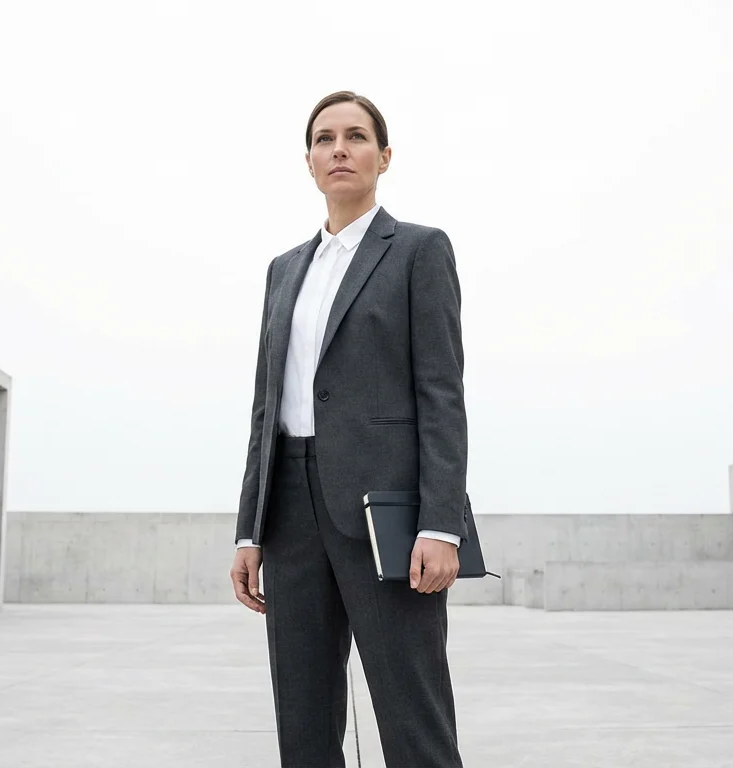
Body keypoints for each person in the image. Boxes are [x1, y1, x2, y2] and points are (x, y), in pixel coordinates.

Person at [229, 90, 469, 768]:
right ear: (308, 161)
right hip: (291, 514)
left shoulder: (419, 251)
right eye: (325, 138)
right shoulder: (284, 271)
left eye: (356, 136)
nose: (339, 148)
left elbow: (442, 393)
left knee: (411, 711)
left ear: (383, 156)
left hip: (383, 510)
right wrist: (250, 529)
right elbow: (264, 408)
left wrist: (440, 524)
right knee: (302, 717)